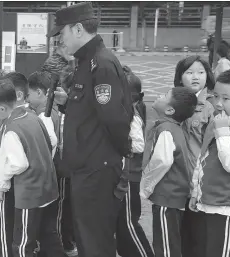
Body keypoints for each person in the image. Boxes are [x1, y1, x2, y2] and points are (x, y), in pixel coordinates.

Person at [47, 3, 133, 256]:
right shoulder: (86, 62)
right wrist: (67, 105)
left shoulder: (101, 64)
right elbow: (92, 111)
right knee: (87, 237)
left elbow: (116, 119)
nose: (59, 41)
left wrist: (117, 157)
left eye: (61, 34)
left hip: (98, 168)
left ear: (77, 29)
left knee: (95, 241)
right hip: (87, 167)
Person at [0, 79, 66, 257]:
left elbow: (18, 163)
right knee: (48, 236)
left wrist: (0, 187)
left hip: (30, 195)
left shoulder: (11, 129)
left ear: (2, 109)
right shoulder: (33, 117)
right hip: (48, 189)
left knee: (22, 244)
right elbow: (51, 141)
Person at [140, 87, 198, 257]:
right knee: (170, 241)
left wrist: (146, 186)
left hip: (168, 198)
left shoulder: (166, 129)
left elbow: (162, 161)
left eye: (165, 95)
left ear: (170, 110)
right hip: (174, 198)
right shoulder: (174, 129)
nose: (159, 95)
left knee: (165, 246)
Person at [27, 71, 76, 256]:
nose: (28, 99)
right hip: (54, 175)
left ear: (40, 93)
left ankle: (62, 249)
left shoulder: (44, 117)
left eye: (29, 94)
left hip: (53, 175)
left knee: (51, 225)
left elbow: (48, 144)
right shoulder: (52, 110)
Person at [173, 56, 216, 257]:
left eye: (200, 72)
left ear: (207, 75)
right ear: (180, 77)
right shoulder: (172, 101)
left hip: (200, 178)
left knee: (199, 233)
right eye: (189, 72)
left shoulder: (212, 106)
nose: (195, 77)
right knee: (182, 232)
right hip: (177, 177)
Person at [189, 68, 230, 257]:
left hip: (225, 208)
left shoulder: (224, 128)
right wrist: (195, 192)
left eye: (226, 98)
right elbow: (203, 158)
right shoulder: (215, 121)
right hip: (204, 203)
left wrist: (223, 133)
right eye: (216, 96)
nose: (218, 103)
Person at [116, 68, 154, 257]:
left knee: (129, 222)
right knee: (122, 222)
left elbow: (138, 145)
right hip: (126, 173)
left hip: (130, 175)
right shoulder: (130, 110)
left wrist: (119, 144)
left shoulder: (132, 115)